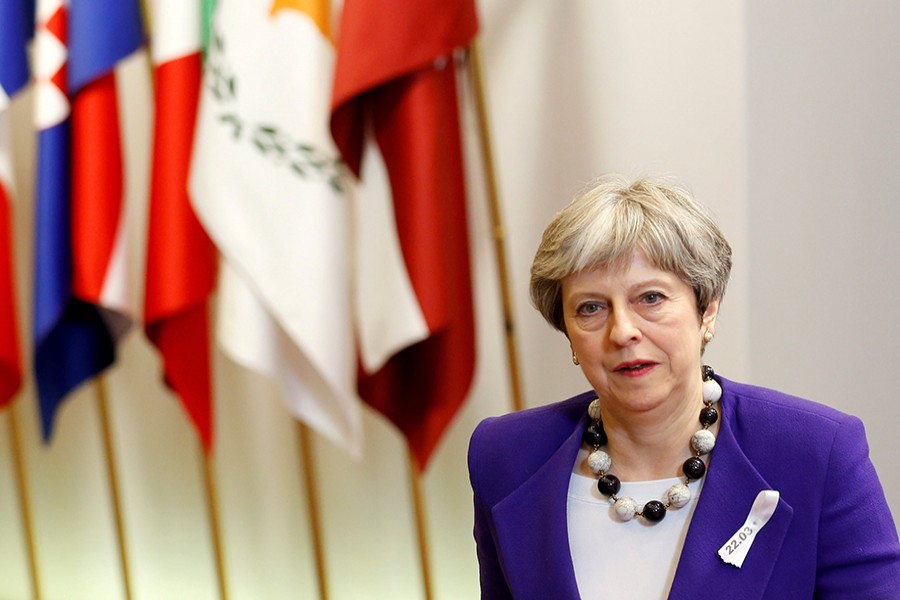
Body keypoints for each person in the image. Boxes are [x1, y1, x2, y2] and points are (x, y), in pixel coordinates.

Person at [467, 175, 900, 599]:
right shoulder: (505, 457)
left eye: (650, 298)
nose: (622, 331)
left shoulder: (815, 452)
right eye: (591, 307)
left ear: (706, 311)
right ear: (568, 333)